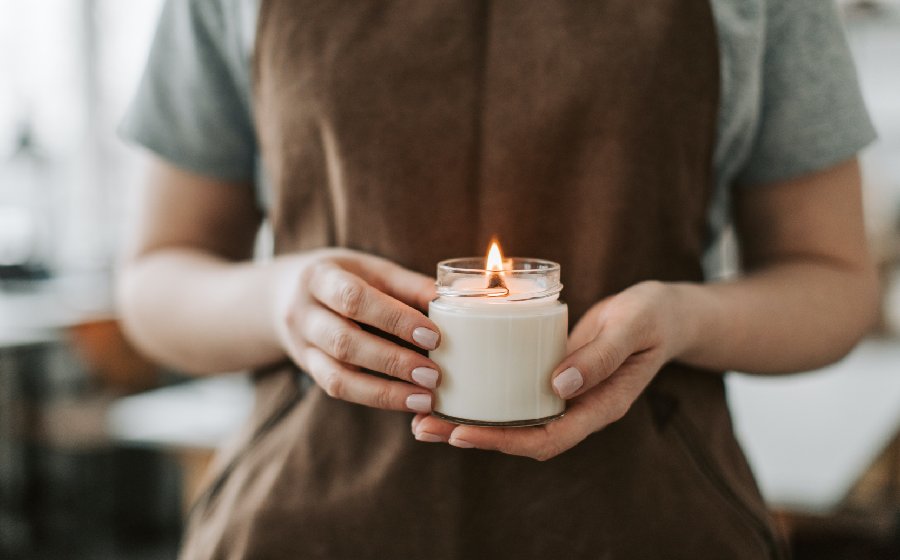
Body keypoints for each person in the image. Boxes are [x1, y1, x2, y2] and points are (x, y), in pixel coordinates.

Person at [117, 0, 879, 558]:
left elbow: (835, 284)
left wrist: (685, 318)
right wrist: (282, 300)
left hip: (650, 520)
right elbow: (155, 281)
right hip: (307, 519)